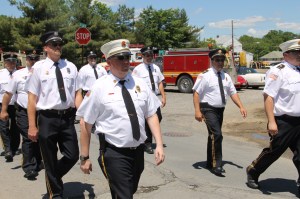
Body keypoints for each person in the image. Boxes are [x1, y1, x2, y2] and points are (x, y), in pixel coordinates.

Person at [77, 39, 165, 199]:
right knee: (124, 195)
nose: (126, 62)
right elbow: (86, 123)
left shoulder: (140, 84)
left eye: (127, 57)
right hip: (113, 153)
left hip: (138, 153)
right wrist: (84, 157)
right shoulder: (99, 87)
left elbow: (151, 114)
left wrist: (159, 144)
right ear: (109, 61)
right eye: (121, 58)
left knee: (126, 192)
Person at [26, 31, 81, 199]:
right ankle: (55, 193)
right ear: (46, 48)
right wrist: (32, 125)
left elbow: (78, 93)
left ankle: (53, 176)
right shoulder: (38, 69)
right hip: (47, 118)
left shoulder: (71, 66)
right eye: (54, 44)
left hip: (67, 117)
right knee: (49, 158)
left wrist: (84, 113)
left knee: (72, 155)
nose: (58, 47)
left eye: (60, 44)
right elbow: (31, 98)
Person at [246, 39, 300, 194]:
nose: (299, 55)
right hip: (284, 121)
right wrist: (271, 122)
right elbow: (269, 97)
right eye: (296, 53)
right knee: (274, 152)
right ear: (286, 55)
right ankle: (253, 171)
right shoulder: (278, 71)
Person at [193, 48, 247, 176]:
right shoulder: (205, 75)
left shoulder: (226, 76)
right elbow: (196, 93)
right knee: (217, 134)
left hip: (220, 110)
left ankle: (209, 161)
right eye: (217, 60)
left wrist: (241, 106)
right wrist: (197, 111)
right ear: (212, 61)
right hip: (207, 108)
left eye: (222, 60)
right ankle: (216, 165)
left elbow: (233, 93)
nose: (220, 62)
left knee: (213, 135)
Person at [0, 52, 42, 179]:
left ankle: (38, 161)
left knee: (40, 137)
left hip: (41, 111)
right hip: (23, 111)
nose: (33, 60)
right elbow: (8, 93)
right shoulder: (19, 74)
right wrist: (4, 110)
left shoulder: (44, 72)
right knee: (28, 137)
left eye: (36, 58)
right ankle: (29, 166)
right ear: (26, 60)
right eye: (30, 58)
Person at [132, 46, 166, 154]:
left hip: (155, 98)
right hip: (144, 97)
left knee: (158, 117)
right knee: (148, 119)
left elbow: (160, 82)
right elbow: (133, 84)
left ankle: (147, 138)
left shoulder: (156, 67)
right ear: (142, 56)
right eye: (146, 55)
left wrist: (163, 96)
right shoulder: (138, 69)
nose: (149, 57)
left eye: (151, 55)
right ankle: (147, 143)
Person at [0, 52, 20, 162]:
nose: (11, 64)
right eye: (9, 62)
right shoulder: (1, 74)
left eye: (13, 62)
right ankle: (8, 149)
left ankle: (14, 147)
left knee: (15, 128)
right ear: (5, 63)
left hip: (16, 105)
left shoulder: (20, 74)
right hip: (3, 105)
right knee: (3, 127)